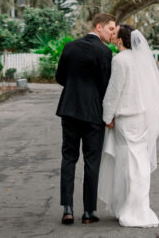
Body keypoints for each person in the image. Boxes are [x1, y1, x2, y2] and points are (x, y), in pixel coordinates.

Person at [97, 24, 159, 228]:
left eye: (115, 34)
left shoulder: (120, 60)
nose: (112, 36)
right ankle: (139, 206)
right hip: (142, 116)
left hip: (126, 117)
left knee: (127, 164)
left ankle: (132, 208)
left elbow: (114, 91)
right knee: (140, 161)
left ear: (120, 40)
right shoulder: (142, 59)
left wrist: (107, 116)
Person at [56, 13, 117, 225]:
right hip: (93, 114)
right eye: (110, 29)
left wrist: (75, 89)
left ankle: (68, 209)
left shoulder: (69, 47)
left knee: (69, 158)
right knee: (92, 161)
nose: (112, 33)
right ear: (98, 27)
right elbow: (107, 86)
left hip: (70, 110)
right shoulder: (104, 52)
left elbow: (60, 78)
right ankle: (89, 211)